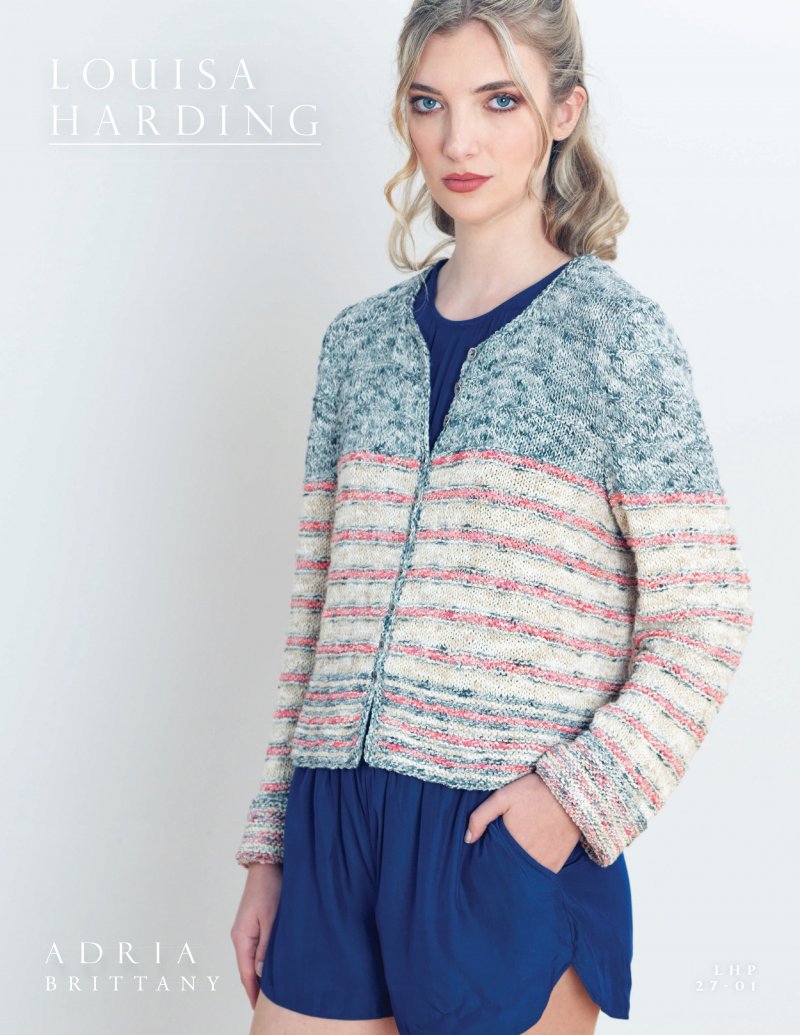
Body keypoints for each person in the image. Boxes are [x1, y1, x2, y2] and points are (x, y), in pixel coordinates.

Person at [231, 3, 754, 1033]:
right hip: (333, 827)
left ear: (564, 112)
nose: (458, 141)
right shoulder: (357, 346)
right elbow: (316, 616)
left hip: (494, 838)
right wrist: (271, 845)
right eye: (429, 104)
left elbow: (705, 616)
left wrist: (573, 801)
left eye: (498, 101)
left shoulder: (616, 340)